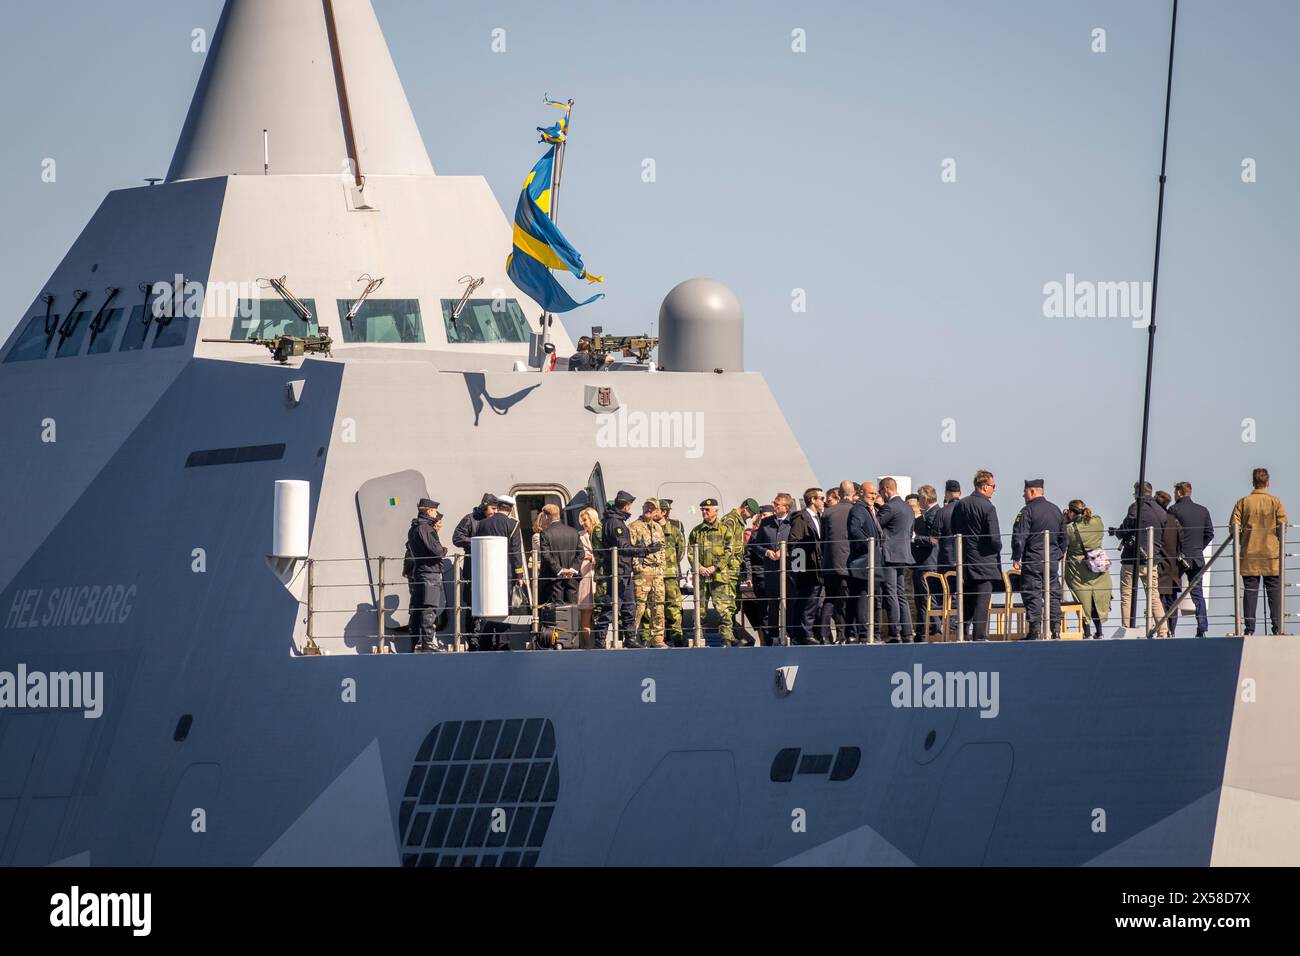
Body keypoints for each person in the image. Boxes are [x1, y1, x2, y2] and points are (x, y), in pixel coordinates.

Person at [597, 490, 662, 648]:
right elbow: (623, 548)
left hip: (623, 570)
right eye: (630, 505)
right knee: (612, 605)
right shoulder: (615, 523)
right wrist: (646, 550)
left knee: (629, 606)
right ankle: (599, 638)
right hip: (617, 570)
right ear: (626, 506)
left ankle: (630, 637)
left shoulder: (615, 520)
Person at [1230, 467, 1288, 636]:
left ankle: (1249, 629)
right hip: (1271, 555)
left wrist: (1243, 541)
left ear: (1253, 482)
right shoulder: (1276, 502)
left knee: (1250, 592)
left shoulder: (1243, 502)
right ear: (1267, 482)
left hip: (1249, 553)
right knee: (1274, 593)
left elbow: (1233, 528)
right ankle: (1277, 628)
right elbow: (1282, 528)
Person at [1010, 479, 1067, 640]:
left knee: (1032, 593)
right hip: (1051, 562)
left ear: (1033, 491)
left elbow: (1019, 536)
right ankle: (1056, 629)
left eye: (1025, 492)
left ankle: (1034, 630)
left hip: (1033, 560)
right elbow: (1065, 538)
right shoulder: (1056, 510)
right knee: (1053, 594)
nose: (1023, 495)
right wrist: (1057, 555)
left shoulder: (1027, 511)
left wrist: (1016, 556)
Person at [1112, 481, 1168, 637]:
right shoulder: (1161, 510)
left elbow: (1127, 527)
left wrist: (1117, 533)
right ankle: (1163, 630)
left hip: (1132, 559)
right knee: (1154, 595)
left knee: (1127, 594)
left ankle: (1127, 627)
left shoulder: (1136, 506)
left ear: (1138, 492)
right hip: (1152, 560)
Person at [951, 470, 1001, 641]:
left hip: (964, 559)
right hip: (985, 560)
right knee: (982, 600)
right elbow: (994, 538)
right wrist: (998, 548)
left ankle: (962, 634)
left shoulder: (960, 504)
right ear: (985, 486)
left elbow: (954, 531)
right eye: (993, 486)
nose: (994, 490)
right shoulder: (988, 507)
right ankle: (979, 635)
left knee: (967, 600)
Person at [473, 497, 527, 650]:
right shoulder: (513, 524)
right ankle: (503, 642)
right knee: (504, 608)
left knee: (488, 608)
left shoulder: (482, 523)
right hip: (505, 572)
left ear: (498, 506)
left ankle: (484, 642)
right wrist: (519, 575)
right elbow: (516, 551)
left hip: (486, 572)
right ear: (510, 508)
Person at [689, 499, 744, 646]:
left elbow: (729, 551)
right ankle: (698, 638)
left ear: (715, 510)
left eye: (707, 509)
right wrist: (698, 566)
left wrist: (715, 567)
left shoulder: (724, 530)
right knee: (699, 610)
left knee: (724, 609)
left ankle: (726, 638)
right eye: (702, 510)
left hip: (719, 576)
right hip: (701, 576)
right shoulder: (696, 531)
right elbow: (689, 552)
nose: (704, 512)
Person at [1170, 481, 1213, 637]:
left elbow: (1170, 534)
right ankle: (1202, 628)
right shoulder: (1203, 511)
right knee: (1197, 594)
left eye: (1175, 493)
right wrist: (1198, 548)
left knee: (1171, 591)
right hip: (1197, 557)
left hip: (1179, 558)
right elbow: (1210, 533)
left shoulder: (1174, 510)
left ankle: (1170, 629)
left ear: (1179, 493)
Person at [1064, 499, 1111, 638]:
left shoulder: (1070, 529)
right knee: (1097, 600)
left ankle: (1087, 633)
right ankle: (1100, 632)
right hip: (1099, 570)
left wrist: (1065, 520)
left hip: (1079, 571)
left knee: (1083, 601)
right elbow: (1094, 519)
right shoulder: (1098, 521)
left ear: (1071, 512)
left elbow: (1063, 539)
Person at [751, 493, 794, 644]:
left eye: (777, 504)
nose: (774, 506)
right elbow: (754, 545)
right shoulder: (766, 522)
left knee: (790, 603)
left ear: (786, 507)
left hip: (789, 571)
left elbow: (799, 544)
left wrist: (785, 552)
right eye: (774, 503)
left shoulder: (793, 522)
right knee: (773, 606)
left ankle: (790, 634)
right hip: (771, 571)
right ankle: (773, 636)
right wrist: (767, 552)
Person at [452, 493, 497, 639]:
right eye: (493, 508)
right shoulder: (469, 519)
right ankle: (472, 638)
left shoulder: (494, 520)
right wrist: (478, 543)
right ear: (485, 506)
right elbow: (457, 538)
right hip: (473, 567)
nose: (495, 512)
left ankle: (486, 637)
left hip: (490, 567)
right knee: (472, 604)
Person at [405, 498, 446, 652]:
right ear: (429, 510)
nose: (436, 514)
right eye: (434, 511)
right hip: (430, 573)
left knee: (417, 608)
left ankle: (415, 642)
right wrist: (443, 550)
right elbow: (437, 550)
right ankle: (428, 642)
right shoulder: (426, 529)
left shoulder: (414, 528)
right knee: (429, 607)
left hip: (419, 572)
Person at [877, 477, 915, 642]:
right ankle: (907, 631)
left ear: (886, 489)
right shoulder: (908, 509)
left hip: (890, 556)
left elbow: (875, 526)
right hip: (904, 555)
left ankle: (895, 632)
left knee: (891, 593)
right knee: (901, 594)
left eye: (880, 492)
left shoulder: (889, 507)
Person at [537, 503, 581, 648]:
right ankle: (572, 642)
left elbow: (546, 556)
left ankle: (556, 643)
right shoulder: (573, 532)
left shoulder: (545, 533)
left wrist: (560, 570)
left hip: (553, 579)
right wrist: (572, 569)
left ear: (547, 516)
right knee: (572, 609)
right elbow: (581, 553)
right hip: (572, 579)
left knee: (554, 612)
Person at [785, 488, 826, 644]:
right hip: (806, 568)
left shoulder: (818, 518)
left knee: (813, 600)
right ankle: (804, 633)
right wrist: (800, 569)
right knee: (806, 600)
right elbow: (794, 543)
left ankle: (804, 632)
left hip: (816, 567)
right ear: (812, 500)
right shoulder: (801, 518)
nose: (824, 501)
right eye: (821, 498)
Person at [820, 480, 857, 643]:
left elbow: (822, 539)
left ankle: (823, 634)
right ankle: (845, 634)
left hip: (829, 563)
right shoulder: (856, 511)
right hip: (849, 563)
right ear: (853, 493)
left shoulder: (827, 513)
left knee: (829, 599)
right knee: (846, 601)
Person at [630, 499, 668, 648]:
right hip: (642, 572)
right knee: (639, 607)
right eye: (647, 507)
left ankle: (657, 639)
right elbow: (631, 550)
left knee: (658, 606)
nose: (649, 510)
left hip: (657, 572)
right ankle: (631, 636)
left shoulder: (658, 528)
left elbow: (663, 549)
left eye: (652, 508)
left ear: (657, 511)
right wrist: (638, 567)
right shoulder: (634, 527)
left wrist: (662, 568)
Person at [847, 481, 883, 641]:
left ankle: (870, 633)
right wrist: (869, 543)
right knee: (862, 598)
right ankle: (863, 633)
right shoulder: (858, 510)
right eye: (870, 494)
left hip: (872, 562)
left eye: (875, 494)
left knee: (870, 597)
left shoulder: (870, 510)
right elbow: (854, 529)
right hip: (862, 562)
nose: (873, 497)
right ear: (861, 493)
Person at [721, 498, 759, 643]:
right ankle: (728, 637)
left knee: (734, 605)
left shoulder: (738, 522)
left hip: (736, 570)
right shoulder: (730, 521)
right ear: (745, 509)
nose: (751, 517)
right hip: (729, 571)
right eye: (751, 513)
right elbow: (725, 547)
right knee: (728, 605)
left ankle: (733, 635)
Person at [657, 499, 687, 647]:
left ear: (663, 512)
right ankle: (659, 638)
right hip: (655, 575)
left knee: (674, 606)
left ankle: (676, 636)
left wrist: (670, 565)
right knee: (656, 607)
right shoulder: (649, 529)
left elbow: (680, 551)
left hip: (670, 575)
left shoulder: (674, 530)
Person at [911, 485, 941, 637]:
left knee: (925, 599)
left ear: (924, 498)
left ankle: (931, 629)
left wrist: (915, 538)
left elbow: (934, 540)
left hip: (927, 563)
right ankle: (927, 629)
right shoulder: (932, 513)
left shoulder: (934, 514)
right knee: (925, 599)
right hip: (925, 562)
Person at [1154, 490, 1184, 638]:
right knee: (1172, 601)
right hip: (1173, 567)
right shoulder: (1174, 520)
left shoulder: (1158, 520)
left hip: (1160, 566)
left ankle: (1163, 630)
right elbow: (1181, 542)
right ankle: (1172, 630)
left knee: (1159, 601)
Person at [576, 507, 600, 649]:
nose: (583, 523)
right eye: (582, 520)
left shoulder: (601, 534)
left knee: (601, 611)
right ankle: (586, 645)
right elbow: (577, 554)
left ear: (592, 519)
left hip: (599, 577)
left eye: (585, 520)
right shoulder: (579, 536)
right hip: (585, 578)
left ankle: (600, 642)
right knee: (585, 611)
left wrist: (593, 557)